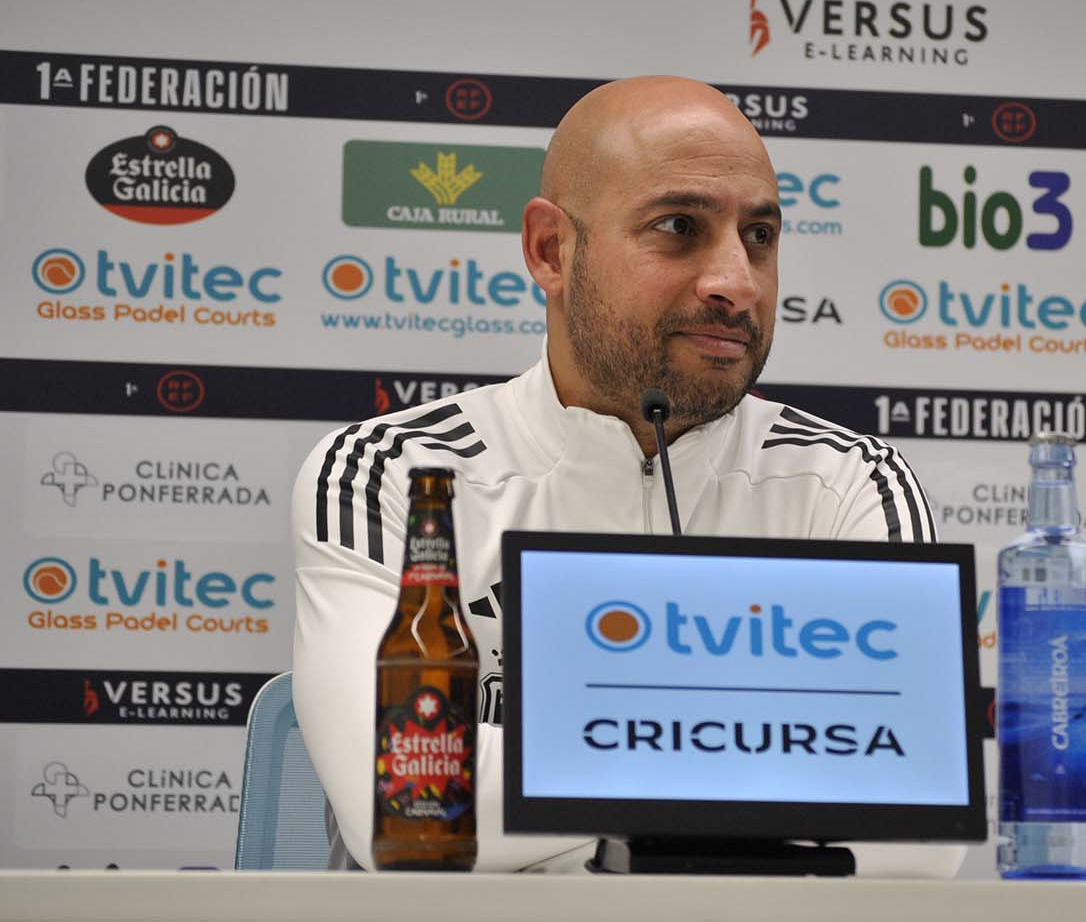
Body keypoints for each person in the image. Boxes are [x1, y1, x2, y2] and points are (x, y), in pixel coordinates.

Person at [292, 76, 957, 874]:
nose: (736, 282)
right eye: (679, 228)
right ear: (551, 250)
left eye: (759, 236)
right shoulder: (393, 474)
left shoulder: (847, 483)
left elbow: (921, 839)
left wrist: (558, 788)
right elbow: (407, 801)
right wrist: (768, 777)